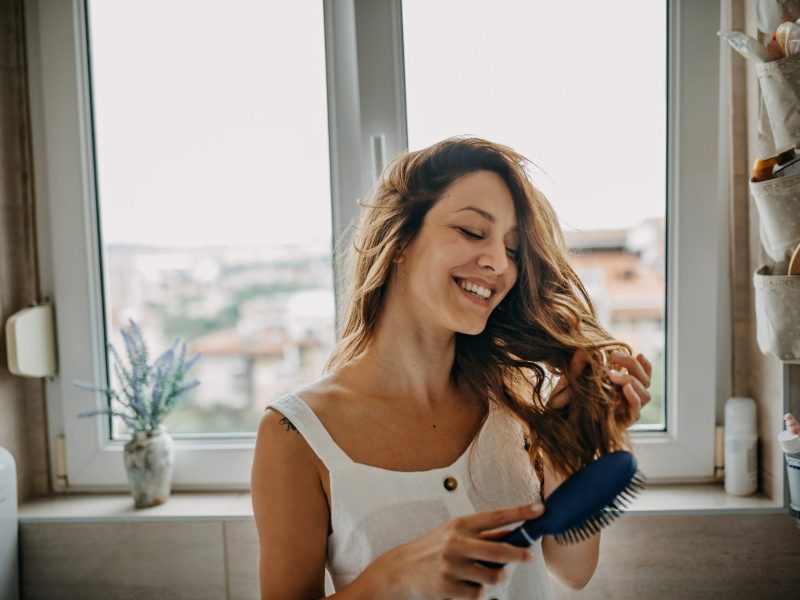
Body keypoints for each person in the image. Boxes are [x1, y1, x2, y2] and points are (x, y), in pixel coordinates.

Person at [251, 137, 652, 599]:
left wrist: (573, 442)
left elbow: (573, 569)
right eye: (471, 231)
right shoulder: (297, 436)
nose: (499, 262)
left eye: (514, 249)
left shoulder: (514, 404)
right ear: (399, 241)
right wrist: (393, 578)